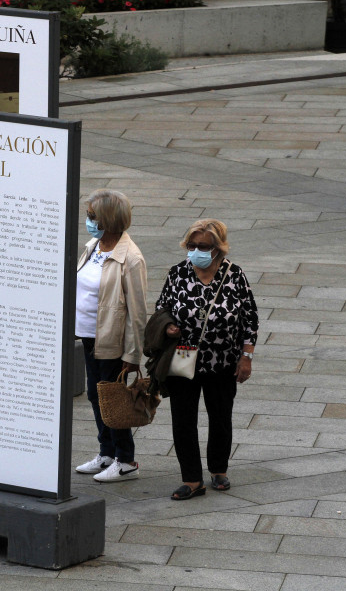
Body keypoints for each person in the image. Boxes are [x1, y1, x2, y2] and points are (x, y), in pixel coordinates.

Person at [156, 219, 258, 500]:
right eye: (191, 245)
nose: (195, 251)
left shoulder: (234, 275)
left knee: (221, 417)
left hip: (223, 360)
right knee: (183, 420)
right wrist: (167, 327)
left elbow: (250, 319)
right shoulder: (178, 272)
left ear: (217, 248)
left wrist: (246, 357)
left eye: (203, 246)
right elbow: (161, 307)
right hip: (183, 358)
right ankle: (191, 479)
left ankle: (218, 469)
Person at [74, 189, 147, 483]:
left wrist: (132, 355)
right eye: (88, 216)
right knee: (95, 395)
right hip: (89, 335)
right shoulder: (94, 245)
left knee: (113, 399)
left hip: (111, 340)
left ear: (109, 219)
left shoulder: (131, 258)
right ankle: (106, 452)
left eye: (93, 217)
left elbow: (138, 312)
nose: (89, 222)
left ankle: (125, 459)